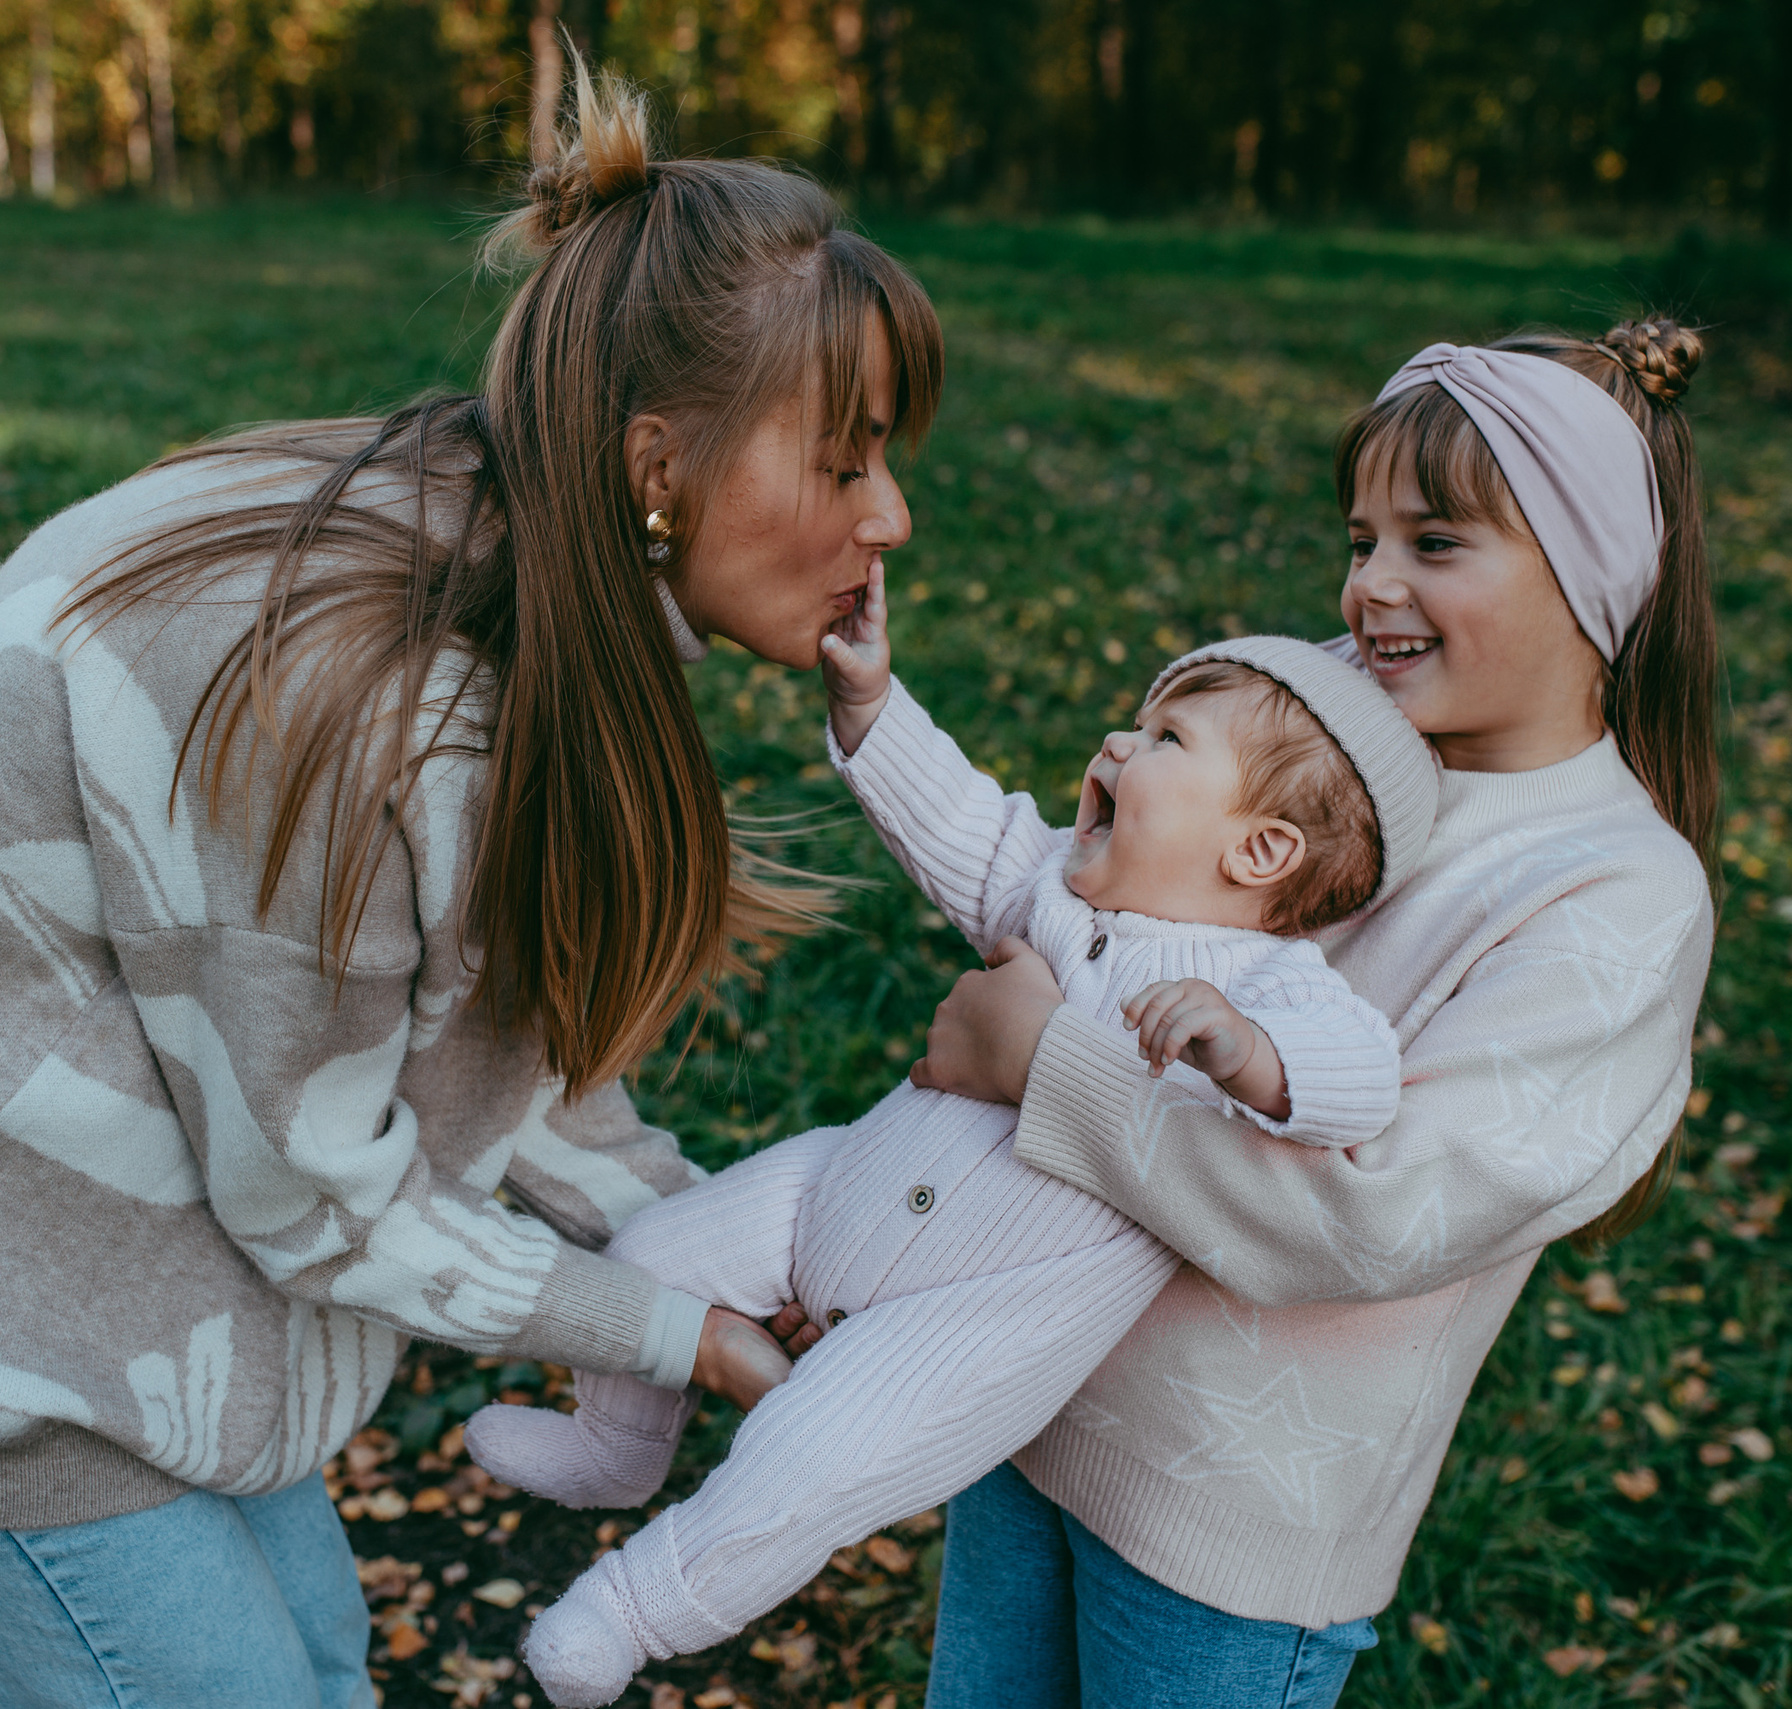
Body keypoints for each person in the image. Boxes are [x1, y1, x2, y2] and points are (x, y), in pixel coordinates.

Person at [0, 68, 936, 1709]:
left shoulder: (505, 539)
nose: (888, 517)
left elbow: (486, 1030)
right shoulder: (370, 714)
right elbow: (316, 1198)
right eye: (842, 461)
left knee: (315, 1663)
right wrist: (677, 1329)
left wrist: (709, 1245)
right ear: (656, 460)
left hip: (91, 1189)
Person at [902, 321, 1721, 1709]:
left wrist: (1043, 1060)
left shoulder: (1615, 896)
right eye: (1362, 538)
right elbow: (1121, 918)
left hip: (1227, 1542)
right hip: (1031, 1394)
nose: (1369, 583)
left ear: (1594, 582)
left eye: (1435, 543)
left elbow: (1372, 1210)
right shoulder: (1332, 748)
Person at [469, 626, 1439, 1706]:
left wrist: (1250, 1055)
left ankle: (630, 1610)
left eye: (1166, 737)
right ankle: (614, 1441)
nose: (1117, 741)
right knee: (653, 1250)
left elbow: (1364, 1078)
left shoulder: (1269, 987)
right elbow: (962, 822)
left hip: (973, 1316)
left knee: (810, 1450)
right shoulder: (1053, 890)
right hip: (832, 1193)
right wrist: (870, 704)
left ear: (1257, 851)